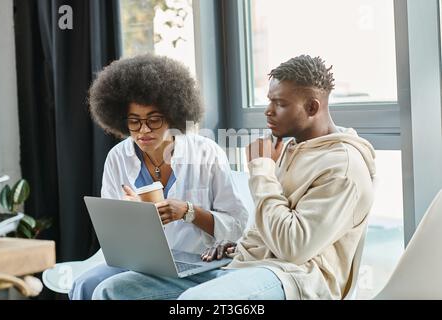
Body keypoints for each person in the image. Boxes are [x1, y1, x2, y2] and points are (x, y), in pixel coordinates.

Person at [92, 55, 376, 300]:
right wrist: (240, 245)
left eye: (280, 104)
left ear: (312, 108)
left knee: (193, 302)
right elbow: (267, 225)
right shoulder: (291, 149)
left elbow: (293, 248)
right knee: (113, 291)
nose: (268, 111)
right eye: (269, 101)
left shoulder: (343, 167)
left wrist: (262, 170)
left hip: (299, 279)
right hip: (249, 263)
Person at [69, 54, 249, 300]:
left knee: (107, 291)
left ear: (173, 116)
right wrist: (129, 217)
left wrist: (188, 211)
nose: (143, 130)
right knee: (82, 285)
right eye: (134, 121)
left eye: (154, 120)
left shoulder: (206, 153)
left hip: (197, 263)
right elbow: (111, 234)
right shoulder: (117, 157)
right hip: (142, 261)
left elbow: (237, 226)